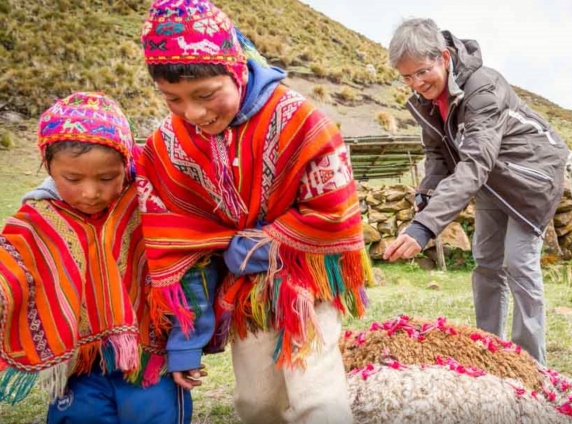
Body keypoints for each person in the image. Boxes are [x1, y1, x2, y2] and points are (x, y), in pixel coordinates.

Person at [137, 1, 371, 423]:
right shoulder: (170, 147)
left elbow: (333, 212)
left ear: (237, 68)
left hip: (306, 282)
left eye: (206, 95)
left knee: (318, 397)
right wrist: (186, 342)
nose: (193, 112)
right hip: (246, 294)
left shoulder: (299, 121)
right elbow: (178, 246)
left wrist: (255, 244)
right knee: (256, 403)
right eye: (173, 99)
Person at [382, 18, 568, 365]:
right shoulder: (426, 100)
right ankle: (487, 352)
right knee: (485, 263)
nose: (416, 83)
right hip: (489, 183)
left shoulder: (482, 88)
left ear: (444, 57)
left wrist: (425, 226)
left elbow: (475, 162)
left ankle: (528, 365)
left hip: (530, 179)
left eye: (422, 72)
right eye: (406, 77)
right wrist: (427, 193)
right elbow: (437, 154)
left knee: (517, 262)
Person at [0, 92, 191, 423]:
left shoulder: (144, 204)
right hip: (80, 366)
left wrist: (186, 347)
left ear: (126, 164)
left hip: (151, 361)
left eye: (107, 178)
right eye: (72, 179)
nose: (90, 192)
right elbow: (10, 269)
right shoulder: (37, 219)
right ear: (48, 166)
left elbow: (187, 266)